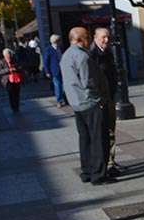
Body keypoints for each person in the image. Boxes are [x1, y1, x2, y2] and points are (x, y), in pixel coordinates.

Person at [60, 27, 111, 185]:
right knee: (98, 139)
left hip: (76, 103)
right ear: (81, 39)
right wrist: (99, 99)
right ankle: (98, 174)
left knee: (85, 139)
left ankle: (87, 170)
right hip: (89, 103)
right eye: (87, 37)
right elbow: (88, 82)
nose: (89, 40)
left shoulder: (66, 55)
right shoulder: (82, 56)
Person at [91, 27, 119, 173]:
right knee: (104, 133)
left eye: (108, 37)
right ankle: (106, 163)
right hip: (101, 100)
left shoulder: (108, 53)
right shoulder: (93, 55)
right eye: (103, 37)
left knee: (111, 131)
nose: (106, 40)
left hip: (110, 97)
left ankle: (111, 161)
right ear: (95, 38)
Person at [43, 34, 67, 107]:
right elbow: (46, 61)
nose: (60, 42)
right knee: (58, 85)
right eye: (59, 41)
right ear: (55, 41)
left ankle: (64, 99)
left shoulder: (61, 48)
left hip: (63, 69)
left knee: (64, 85)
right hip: (55, 70)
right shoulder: (49, 50)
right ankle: (59, 100)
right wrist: (47, 71)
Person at [0, 48, 24, 114]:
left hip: (16, 79)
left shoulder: (14, 60)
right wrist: (8, 70)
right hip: (8, 80)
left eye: (9, 54)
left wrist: (16, 68)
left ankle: (17, 106)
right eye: (7, 55)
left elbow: (20, 67)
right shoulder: (2, 61)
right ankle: (13, 107)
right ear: (4, 55)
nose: (8, 56)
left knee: (17, 93)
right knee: (11, 94)